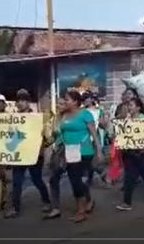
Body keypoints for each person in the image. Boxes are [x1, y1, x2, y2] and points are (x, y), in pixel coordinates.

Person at [53, 90, 102, 222]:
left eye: (67, 100)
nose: (65, 102)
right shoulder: (64, 115)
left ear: (75, 102)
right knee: (75, 180)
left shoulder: (85, 114)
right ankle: (86, 202)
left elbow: (94, 134)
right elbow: (59, 132)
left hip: (84, 152)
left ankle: (81, 210)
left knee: (79, 181)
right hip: (68, 152)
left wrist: (99, 151)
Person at [6, 89, 52, 218]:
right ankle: (15, 208)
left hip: (35, 155)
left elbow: (47, 137)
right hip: (19, 155)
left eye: (23, 100)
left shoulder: (37, 118)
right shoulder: (12, 119)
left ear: (28, 102)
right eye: (18, 101)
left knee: (37, 179)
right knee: (17, 182)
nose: (20, 103)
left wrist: (43, 144)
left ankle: (47, 202)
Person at [116, 97, 144, 211]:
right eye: (128, 105)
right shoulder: (126, 119)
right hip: (129, 152)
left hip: (143, 153)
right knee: (129, 177)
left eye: (131, 105)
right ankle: (127, 202)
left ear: (138, 107)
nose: (129, 107)